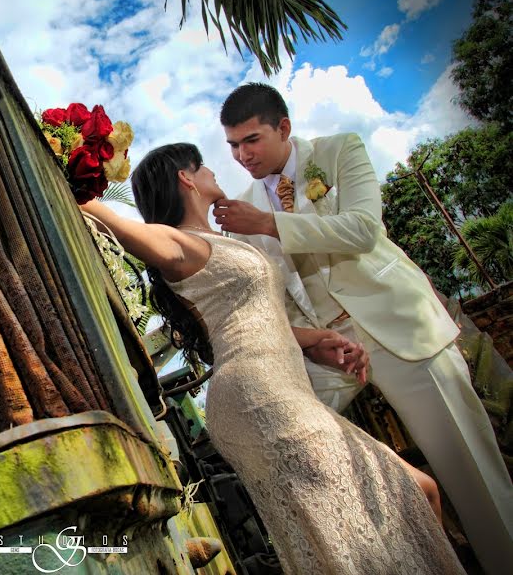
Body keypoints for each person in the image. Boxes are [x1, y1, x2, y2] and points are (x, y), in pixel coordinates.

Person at [81, 143, 462, 574]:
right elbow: (112, 218)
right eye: (202, 165)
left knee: (416, 493)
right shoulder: (179, 243)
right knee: (355, 523)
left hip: (279, 389)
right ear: (185, 178)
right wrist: (77, 166)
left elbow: (250, 318)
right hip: (260, 398)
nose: (211, 170)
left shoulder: (213, 242)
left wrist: (315, 339)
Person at [214, 82, 513, 575]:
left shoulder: (338, 151)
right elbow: (275, 292)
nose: (242, 155)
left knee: (472, 471)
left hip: (397, 329)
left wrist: (269, 223)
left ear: (283, 128)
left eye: (251, 140)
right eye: (232, 146)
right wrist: (313, 344)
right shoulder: (245, 203)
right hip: (329, 353)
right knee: (296, 445)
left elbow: (362, 228)